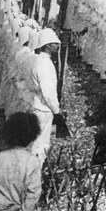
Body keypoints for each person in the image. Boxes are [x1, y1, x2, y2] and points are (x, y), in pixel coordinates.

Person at [25, 28, 66, 163]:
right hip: (43, 108)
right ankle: (35, 170)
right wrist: (56, 110)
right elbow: (48, 92)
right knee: (41, 144)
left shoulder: (38, 60)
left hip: (36, 104)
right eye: (54, 43)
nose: (57, 46)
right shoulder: (45, 64)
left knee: (34, 141)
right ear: (47, 45)